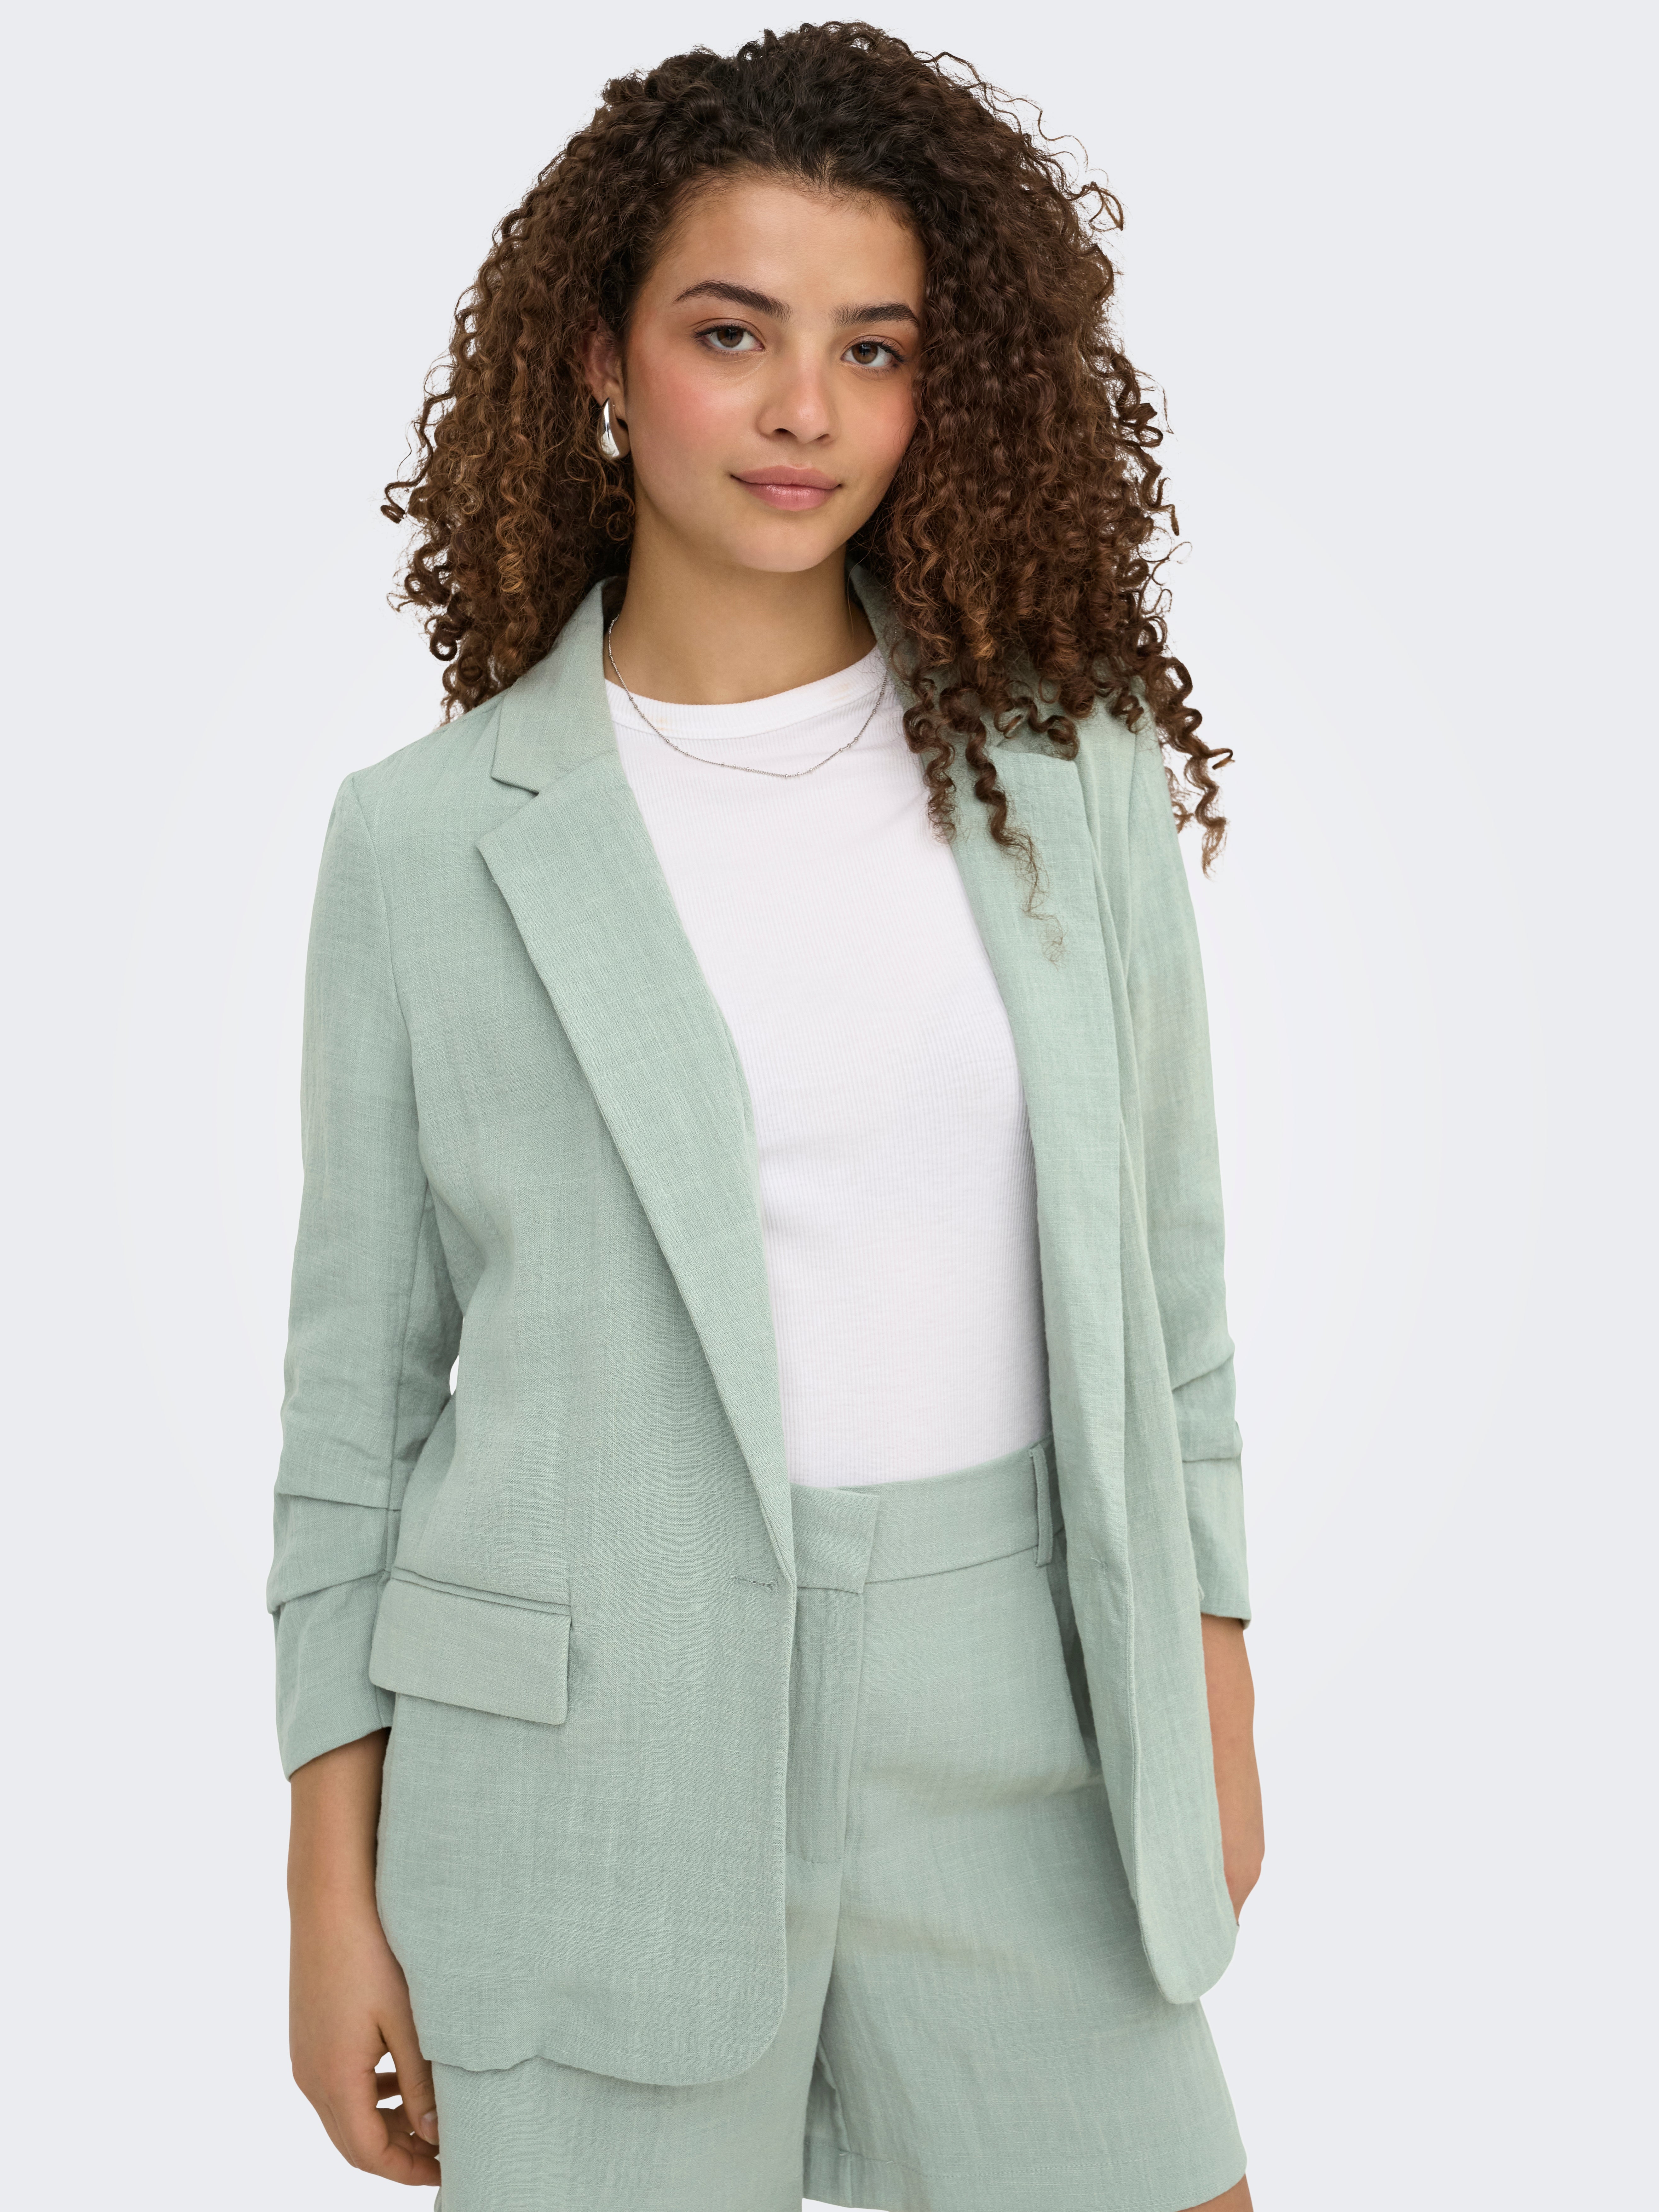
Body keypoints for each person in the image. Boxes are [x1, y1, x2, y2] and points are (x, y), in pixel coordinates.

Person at [271, 22, 1264, 2209]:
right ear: (603, 359)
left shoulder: (1069, 777)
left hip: (1018, 1723)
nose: (806, 409)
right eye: (732, 334)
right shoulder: (424, 842)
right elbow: (354, 1411)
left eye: (871, 347)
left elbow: (1167, 1286)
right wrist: (326, 1892)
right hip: (582, 1757)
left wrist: (1211, 1675)